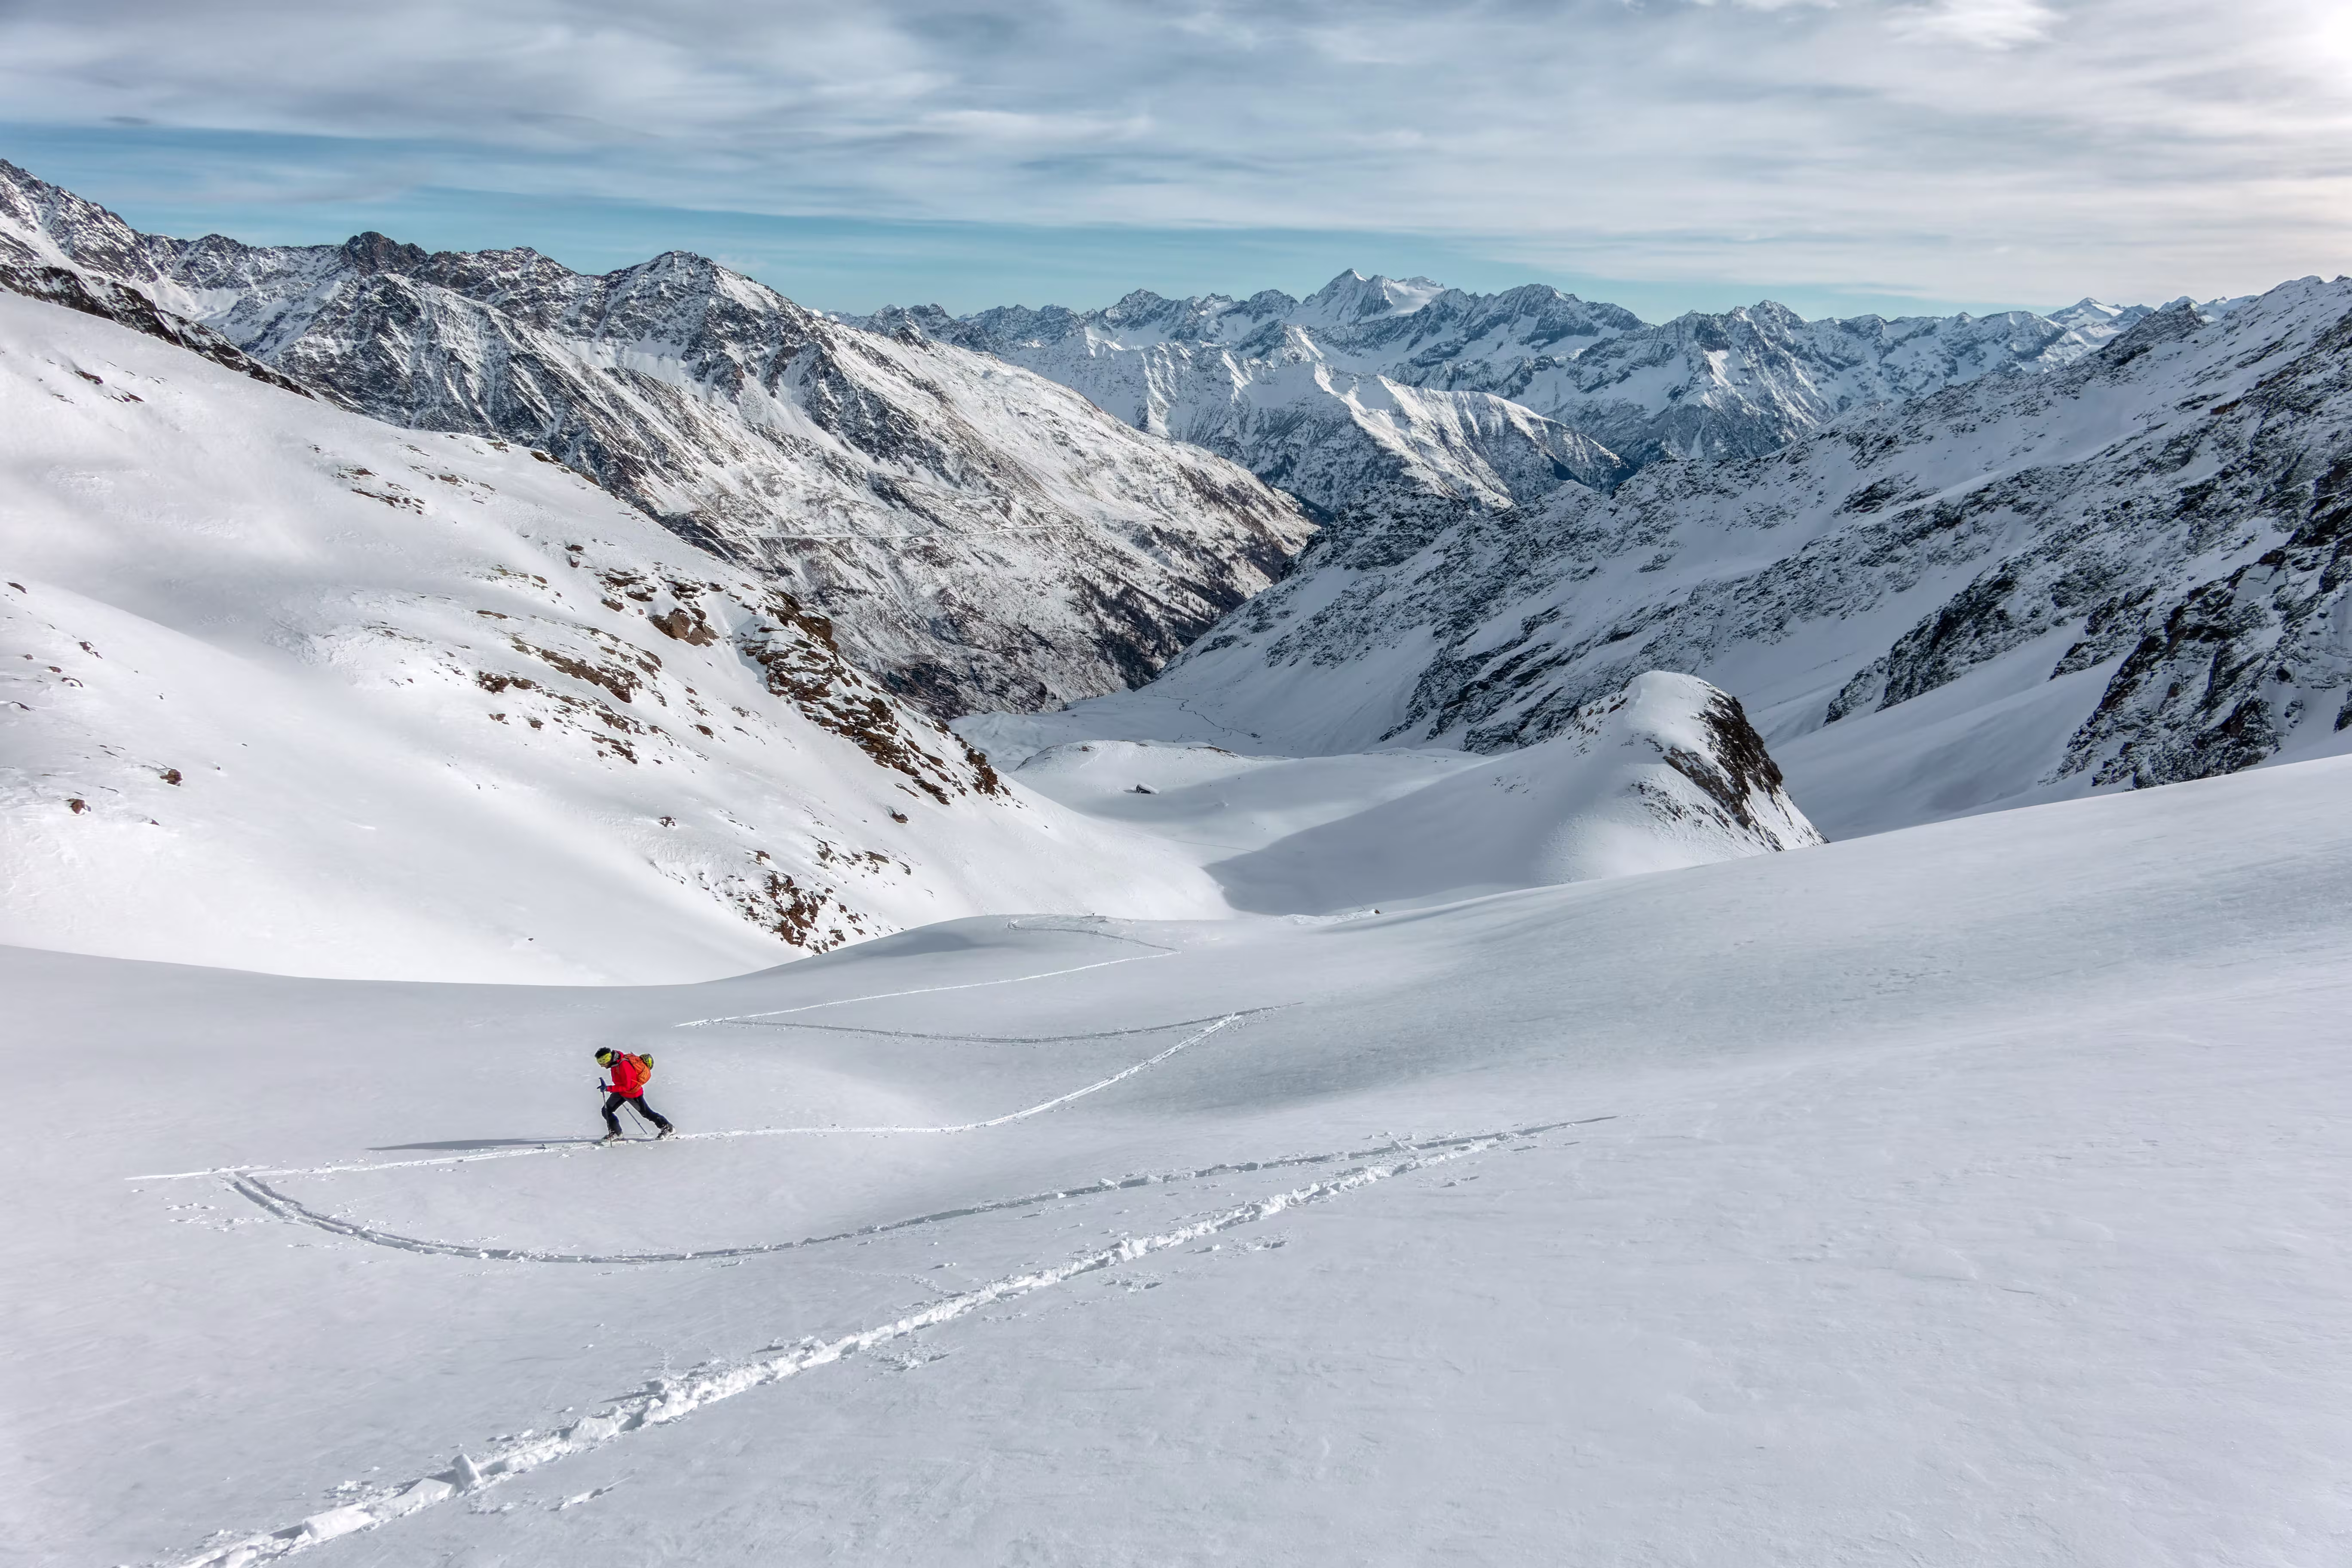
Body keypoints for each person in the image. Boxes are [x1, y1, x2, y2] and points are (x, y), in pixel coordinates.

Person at [594, 1047, 674, 1142]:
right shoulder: (615, 1064)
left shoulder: (624, 1065)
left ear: (607, 1060)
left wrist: (609, 1088)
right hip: (621, 1091)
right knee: (606, 1111)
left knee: (647, 1114)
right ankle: (616, 1133)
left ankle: (668, 1128)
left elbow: (628, 1086)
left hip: (633, 1093)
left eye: (602, 1064)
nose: (602, 1066)